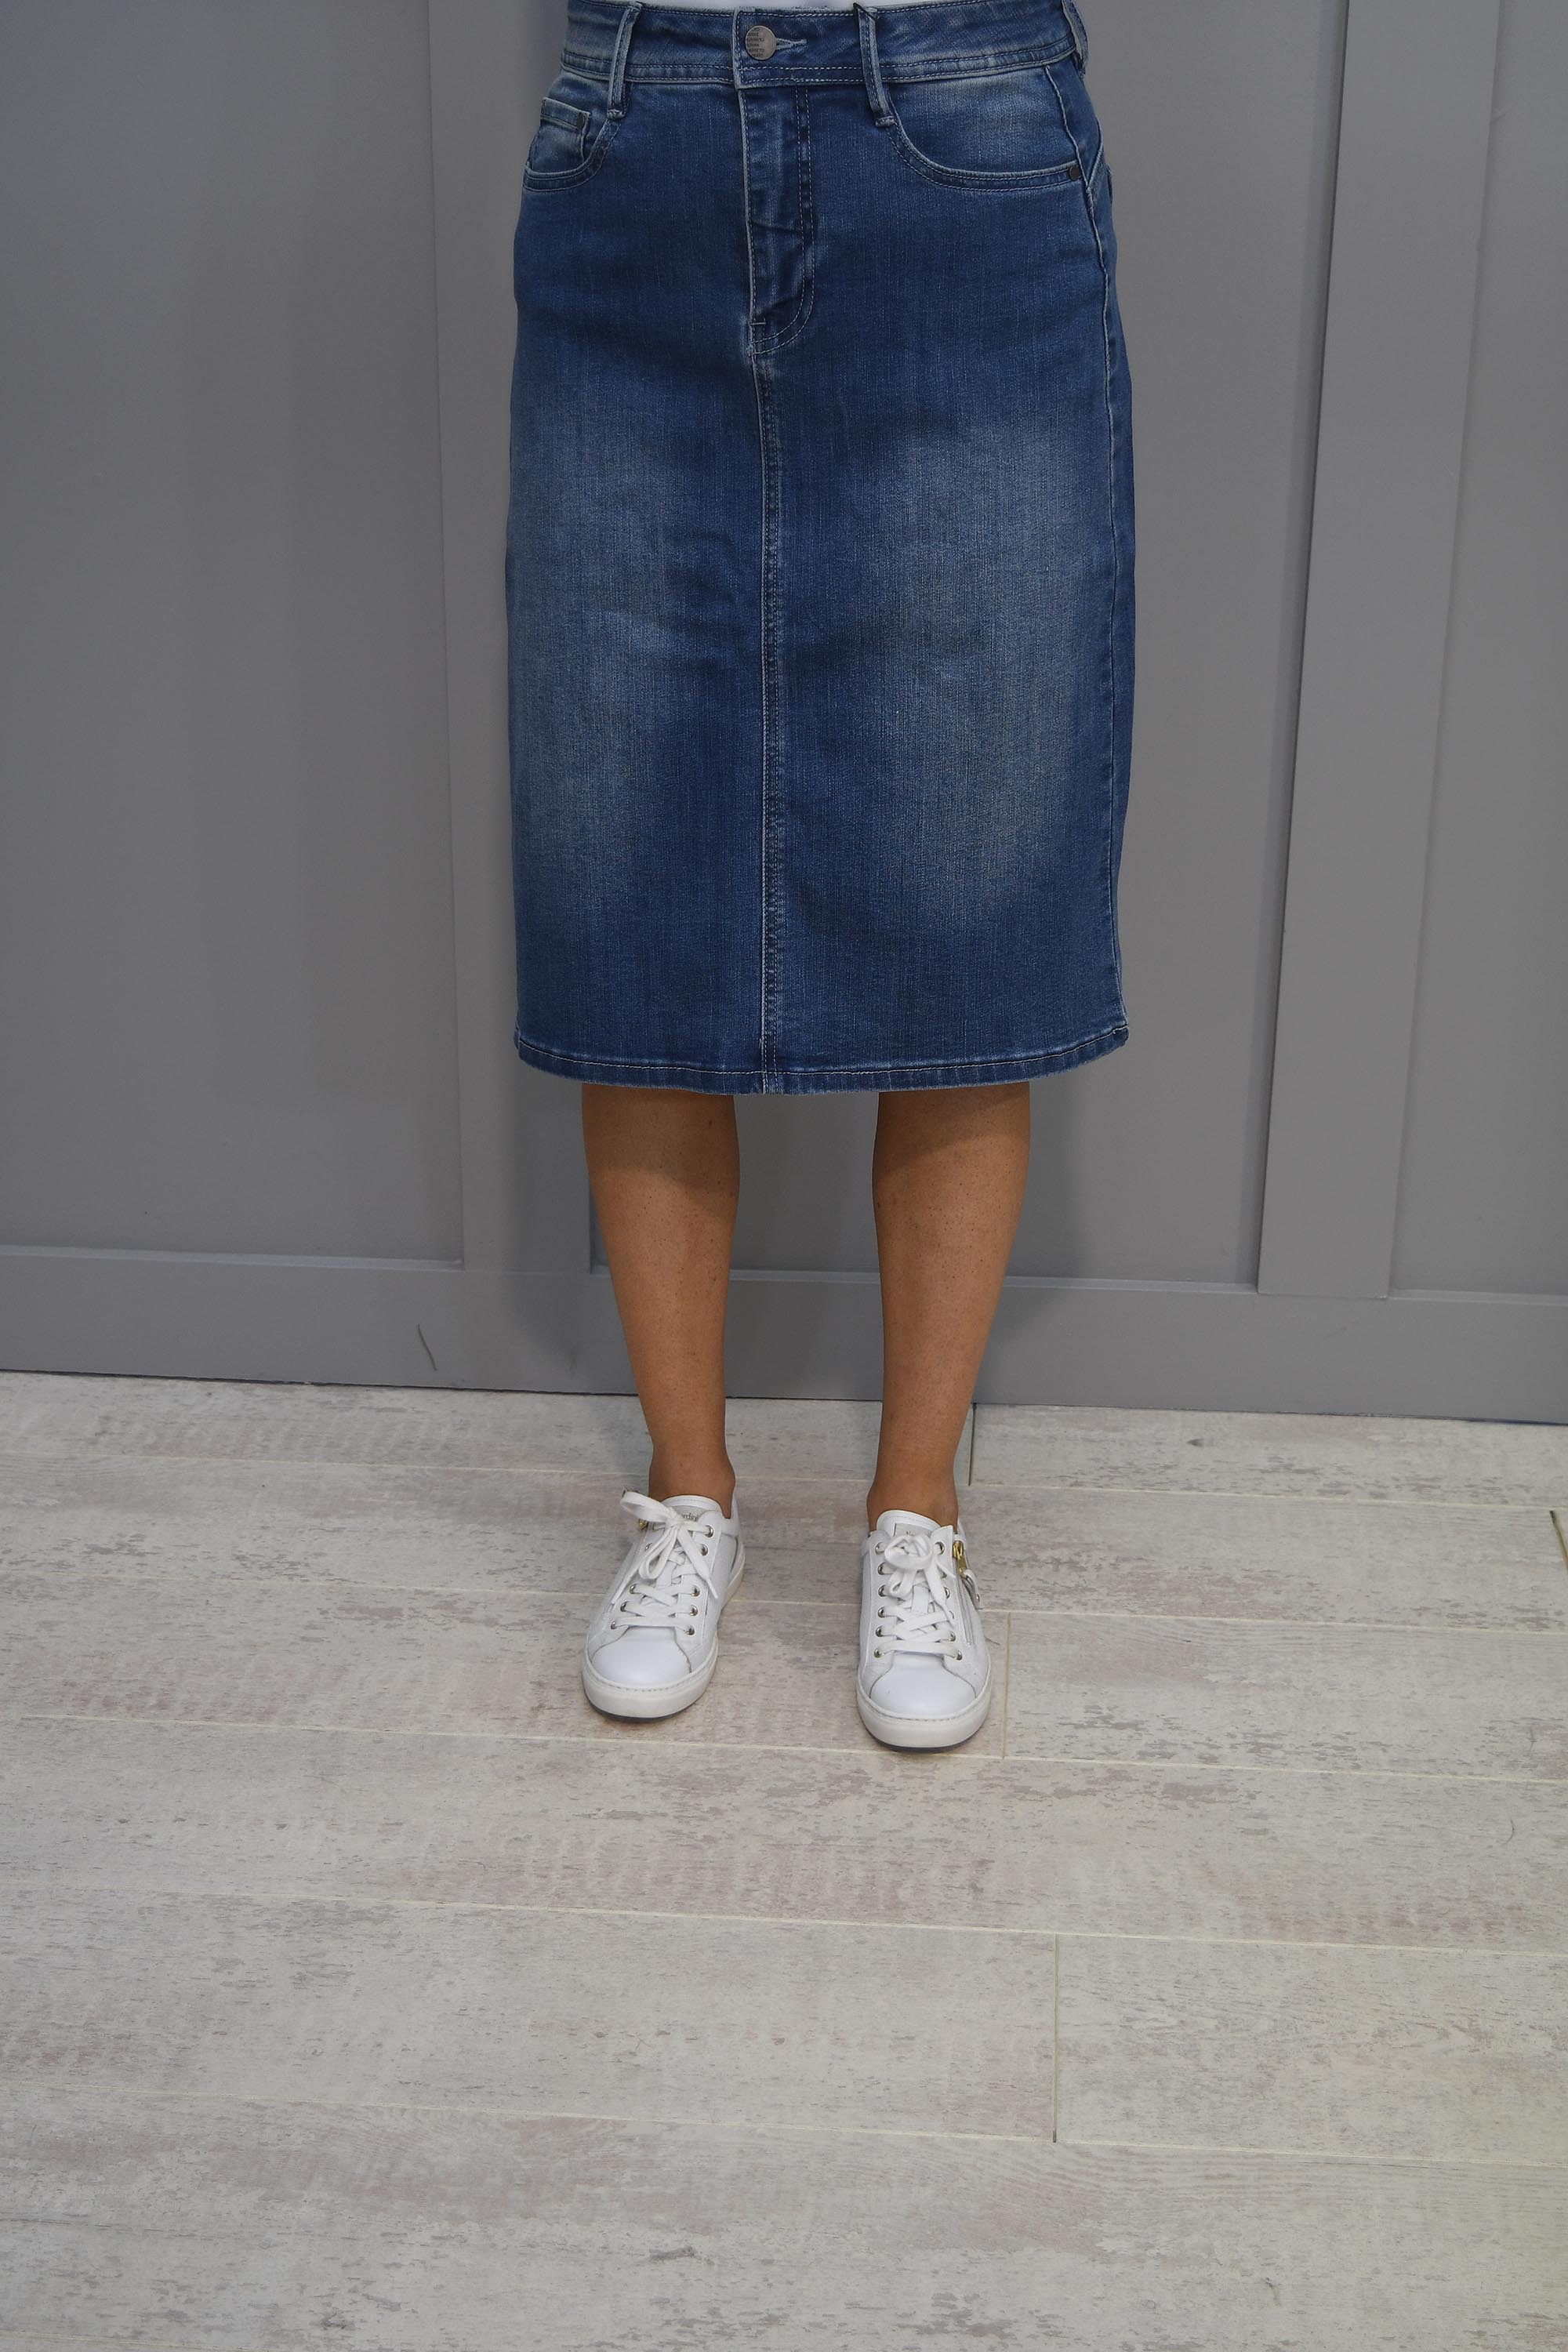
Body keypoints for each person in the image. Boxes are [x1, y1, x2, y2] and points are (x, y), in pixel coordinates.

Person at [506, 0, 1134, 1748]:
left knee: (967, 876)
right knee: (625, 862)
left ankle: (917, 1510)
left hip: (962, 130)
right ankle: (686, 1492)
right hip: (637, 131)